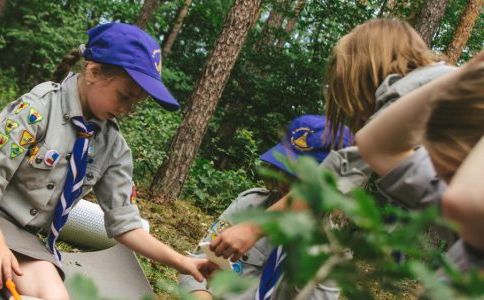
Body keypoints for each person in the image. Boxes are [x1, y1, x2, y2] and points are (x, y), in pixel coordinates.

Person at [0, 22, 214, 299]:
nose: (126, 109)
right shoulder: (37, 108)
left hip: (27, 239)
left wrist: (183, 262)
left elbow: (124, 224)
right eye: (124, 97)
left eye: (136, 104)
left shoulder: (113, 148)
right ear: (93, 72)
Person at [207, 18, 457, 296]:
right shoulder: (448, 88)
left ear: (364, 73)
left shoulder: (405, 94)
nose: (359, 119)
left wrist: (254, 227)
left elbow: (335, 175)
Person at [179, 115, 350, 300]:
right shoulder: (250, 205)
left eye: (299, 176)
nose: (283, 179)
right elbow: (197, 265)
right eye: (282, 167)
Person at [355, 55, 484, 276]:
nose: (446, 189)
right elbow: (377, 145)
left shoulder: (469, 217)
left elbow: (464, 201)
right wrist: (472, 69)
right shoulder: (467, 234)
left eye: (455, 174)